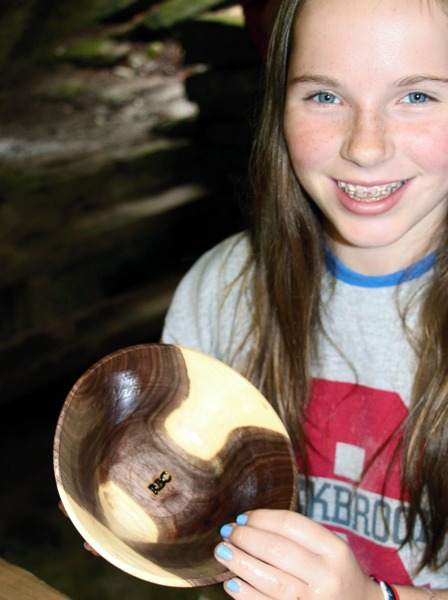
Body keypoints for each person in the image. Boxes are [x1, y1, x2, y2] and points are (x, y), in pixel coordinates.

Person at [161, 0, 448, 598]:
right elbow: (186, 486)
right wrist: (149, 508)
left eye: (418, 96)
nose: (365, 147)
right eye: (324, 96)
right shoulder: (222, 289)